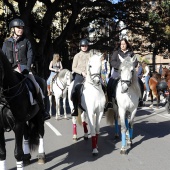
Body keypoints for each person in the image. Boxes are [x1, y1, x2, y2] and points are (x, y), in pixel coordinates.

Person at [2, 18, 50, 120]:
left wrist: (27, 69)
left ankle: (43, 110)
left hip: (24, 69)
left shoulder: (26, 42)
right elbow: (3, 59)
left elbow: (30, 56)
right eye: (18, 27)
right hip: (10, 71)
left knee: (36, 86)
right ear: (12, 29)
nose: (20, 29)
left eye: (22, 28)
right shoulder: (6, 43)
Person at [106, 38, 138, 110]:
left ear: (127, 44)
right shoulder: (116, 52)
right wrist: (121, 65)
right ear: (120, 45)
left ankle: (140, 99)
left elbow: (136, 62)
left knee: (139, 81)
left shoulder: (131, 53)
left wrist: (130, 65)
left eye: (124, 44)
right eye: (121, 44)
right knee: (110, 83)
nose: (123, 46)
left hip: (129, 72)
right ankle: (110, 101)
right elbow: (112, 62)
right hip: (117, 72)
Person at [71, 39, 91, 116]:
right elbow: (73, 68)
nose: (84, 47)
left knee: (102, 85)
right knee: (74, 90)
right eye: (83, 46)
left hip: (90, 75)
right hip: (80, 75)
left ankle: (104, 105)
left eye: (85, 46)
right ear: (80, 47)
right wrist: (82, 72)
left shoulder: (91, 55)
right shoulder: (77, 56)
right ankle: (75, 108)